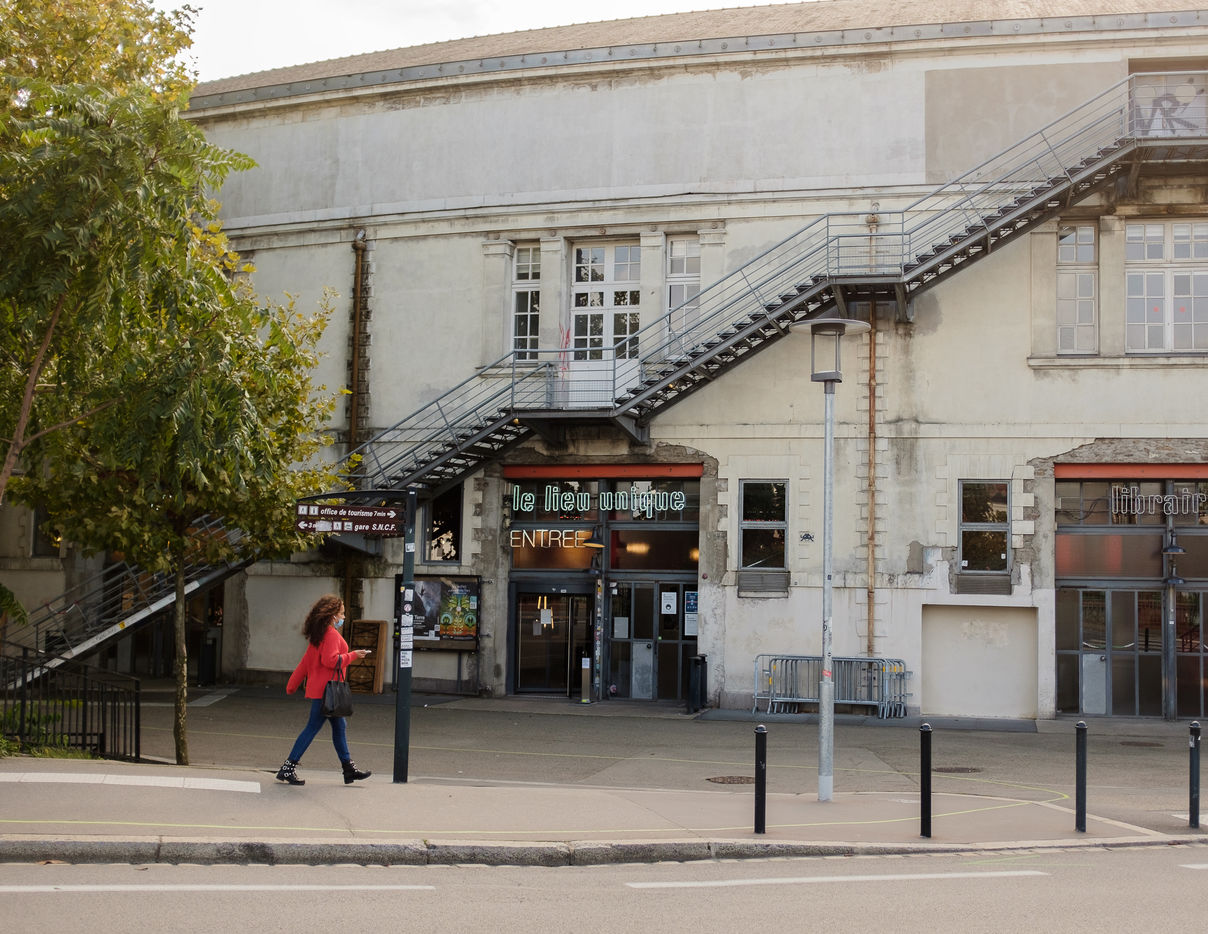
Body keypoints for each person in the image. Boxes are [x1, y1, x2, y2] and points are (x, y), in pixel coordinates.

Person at [276, 594, 372, 786]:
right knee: (313, 728)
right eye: (342, 613)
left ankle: (348, 769)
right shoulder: (330, 634)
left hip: (325, 692)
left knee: (339, 727)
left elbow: (306, 662)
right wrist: (353, 655)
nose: (343, 617)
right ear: (332, 615)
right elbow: (331, 661)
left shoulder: (318, 635)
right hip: (327, 693)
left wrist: (291, 685)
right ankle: (288, 767)